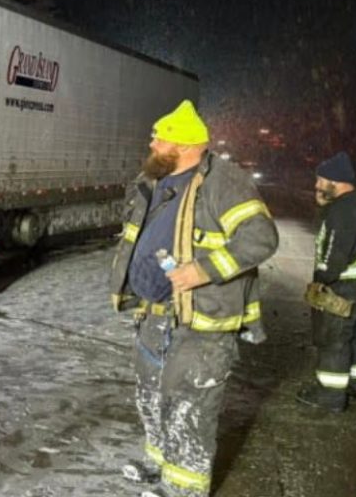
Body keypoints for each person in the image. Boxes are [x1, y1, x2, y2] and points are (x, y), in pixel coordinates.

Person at [108, 100, 278, 497]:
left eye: (159, 140)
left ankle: (184, 488)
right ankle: (158, 464)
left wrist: (201, 270)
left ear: (184, 146)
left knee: (189, 404)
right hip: (155, 313)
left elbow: (261, 237)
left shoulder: (223, 182)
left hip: (202, 320)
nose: (152, 146)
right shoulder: (155, 181)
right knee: (152, 394)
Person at [296, 151, 356, 412]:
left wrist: (321, 281)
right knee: (353, 334)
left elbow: (334, 256)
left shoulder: (342, 211)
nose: (317, 186)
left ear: (338, 182)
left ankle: (330, 397)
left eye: (322, 181)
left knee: (333, 339)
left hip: (344, 286)